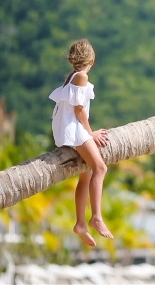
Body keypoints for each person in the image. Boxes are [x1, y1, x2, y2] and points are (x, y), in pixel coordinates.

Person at [49, 39, 113, 247]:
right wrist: (91, 133)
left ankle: (81, 224)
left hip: (68, 131)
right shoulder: (82, 77)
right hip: (76, 131)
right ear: (92, 60)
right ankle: (96, 217)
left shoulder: (72, 77)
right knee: (100, 168)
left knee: (85, 176)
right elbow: (78, 110)